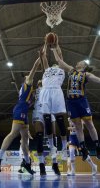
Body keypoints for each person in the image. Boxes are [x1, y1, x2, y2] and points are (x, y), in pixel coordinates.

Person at [52, 47, 100, 160]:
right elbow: (59, 61)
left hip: (81, 101)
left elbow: (99, 80)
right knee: (78, 127)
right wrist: (54, 48)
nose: (77, 62)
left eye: (80, 62)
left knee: (89, 124)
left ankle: (98, 146)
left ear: (84, 66)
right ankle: (84, 149)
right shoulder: (71, 70)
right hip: (71, 102)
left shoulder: (86, 74)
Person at [0, 56, 42, 175]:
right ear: (25, 80)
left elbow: (36, 93)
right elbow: (34, 68)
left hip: (24, 113)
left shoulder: (31, 91)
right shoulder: (28, 83)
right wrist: (40, 57)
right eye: (27, 76)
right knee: (13, 133)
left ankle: (26, 162)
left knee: (25, 140)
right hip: (20, 110)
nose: (29, 76)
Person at [38, 39, 68, 176]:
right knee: (47, 124)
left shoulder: (61, 69)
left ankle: (64, 147)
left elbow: (60, 56)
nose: (55, 64)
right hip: (45, 92)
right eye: (54, 63)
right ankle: (53, 150)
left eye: (57, 63)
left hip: (56, 91)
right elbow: (43, 56)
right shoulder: (47, 70)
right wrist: (45, 42)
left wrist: (56, 44)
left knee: (61, 121)